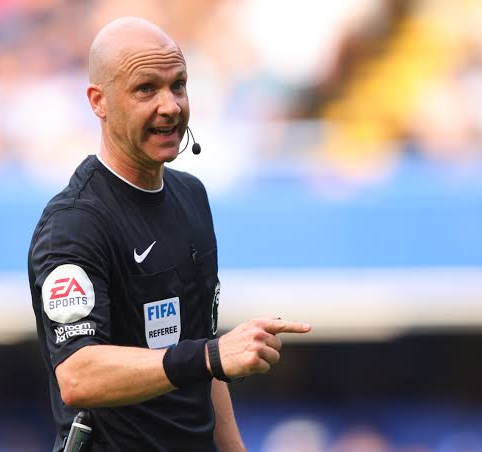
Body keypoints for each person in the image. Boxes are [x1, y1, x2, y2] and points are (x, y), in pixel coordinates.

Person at [27, 17, 312, 451]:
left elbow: (203, 363)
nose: (171, 105)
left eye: (178, 85)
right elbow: (78, 375)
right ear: (98, 101)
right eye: (146, 89)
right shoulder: (75, 223)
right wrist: (211, 355)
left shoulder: (191, 196)